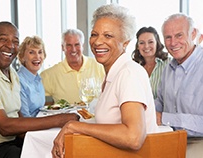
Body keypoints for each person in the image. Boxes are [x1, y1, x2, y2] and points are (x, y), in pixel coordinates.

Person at [51, 4, 159, 158]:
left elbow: (133, 137)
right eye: (94, 34)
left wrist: (74, 126)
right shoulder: (114, 73)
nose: (97, 42)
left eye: (108, 36)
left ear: (126, 43)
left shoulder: (128, 73)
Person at [0, 21, 79, 158]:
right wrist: (59, 120)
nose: (10, 46)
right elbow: (4, 126)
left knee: (59, 150)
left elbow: (18, 115)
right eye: (3, 40)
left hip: (11, 142)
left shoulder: (11, 73)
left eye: (15, 42)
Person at [155, 13, 203, 158]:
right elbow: (159, 103)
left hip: (198, 143)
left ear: (193, 33)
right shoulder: (168, 68)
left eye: (179, 35)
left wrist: (164, 118)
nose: (173, 43)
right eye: (168, 37)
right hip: (170, 139)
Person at [40, 28, 105, 105]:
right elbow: (43, 105)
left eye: (77, 45)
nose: (73, 50)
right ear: (62, 47)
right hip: (65, 117)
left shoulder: (100, 66)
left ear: (82, 46)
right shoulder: (48, 75)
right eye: (69, 45)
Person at [132, 26, 171, 99]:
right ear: (137, 46)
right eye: (141, 43)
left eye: (150, 42)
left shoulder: (169, 64)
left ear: (157, 43)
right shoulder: (133, 67)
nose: (146, 46)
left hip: (163, 110)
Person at [17, 36, 46, 117]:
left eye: (40, 52)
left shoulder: (37, 79)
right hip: (30, 128)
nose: (37, 57)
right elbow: (25, 118)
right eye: (31, 52)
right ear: (22, 57)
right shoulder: (19, 81)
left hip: (39, 124)